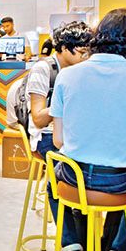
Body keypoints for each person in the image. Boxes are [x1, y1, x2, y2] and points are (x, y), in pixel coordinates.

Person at [49, 9, 126, 251]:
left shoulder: (68, 76)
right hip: (119, 184)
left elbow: (58, 140)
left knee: (53, 180)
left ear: (98, 37)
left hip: (74, 181)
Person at [27, 21, 92, 159]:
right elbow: (38, 119)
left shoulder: (79, 70)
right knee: (79, 164)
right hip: (46, 134)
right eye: (82, 53)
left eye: (88, 54)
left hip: (71, 131)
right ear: (64, 48)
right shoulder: (42, 69)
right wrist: (66, 102)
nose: (85, 58)